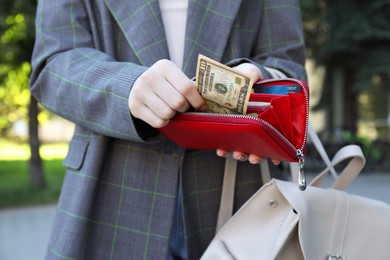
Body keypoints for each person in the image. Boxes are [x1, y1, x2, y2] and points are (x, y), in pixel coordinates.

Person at [29, 0, 307, 259]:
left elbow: (286, 63)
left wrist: (256, 84)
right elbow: (52, 62)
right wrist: (125, 88)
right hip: (109, 186)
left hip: (241, 192)